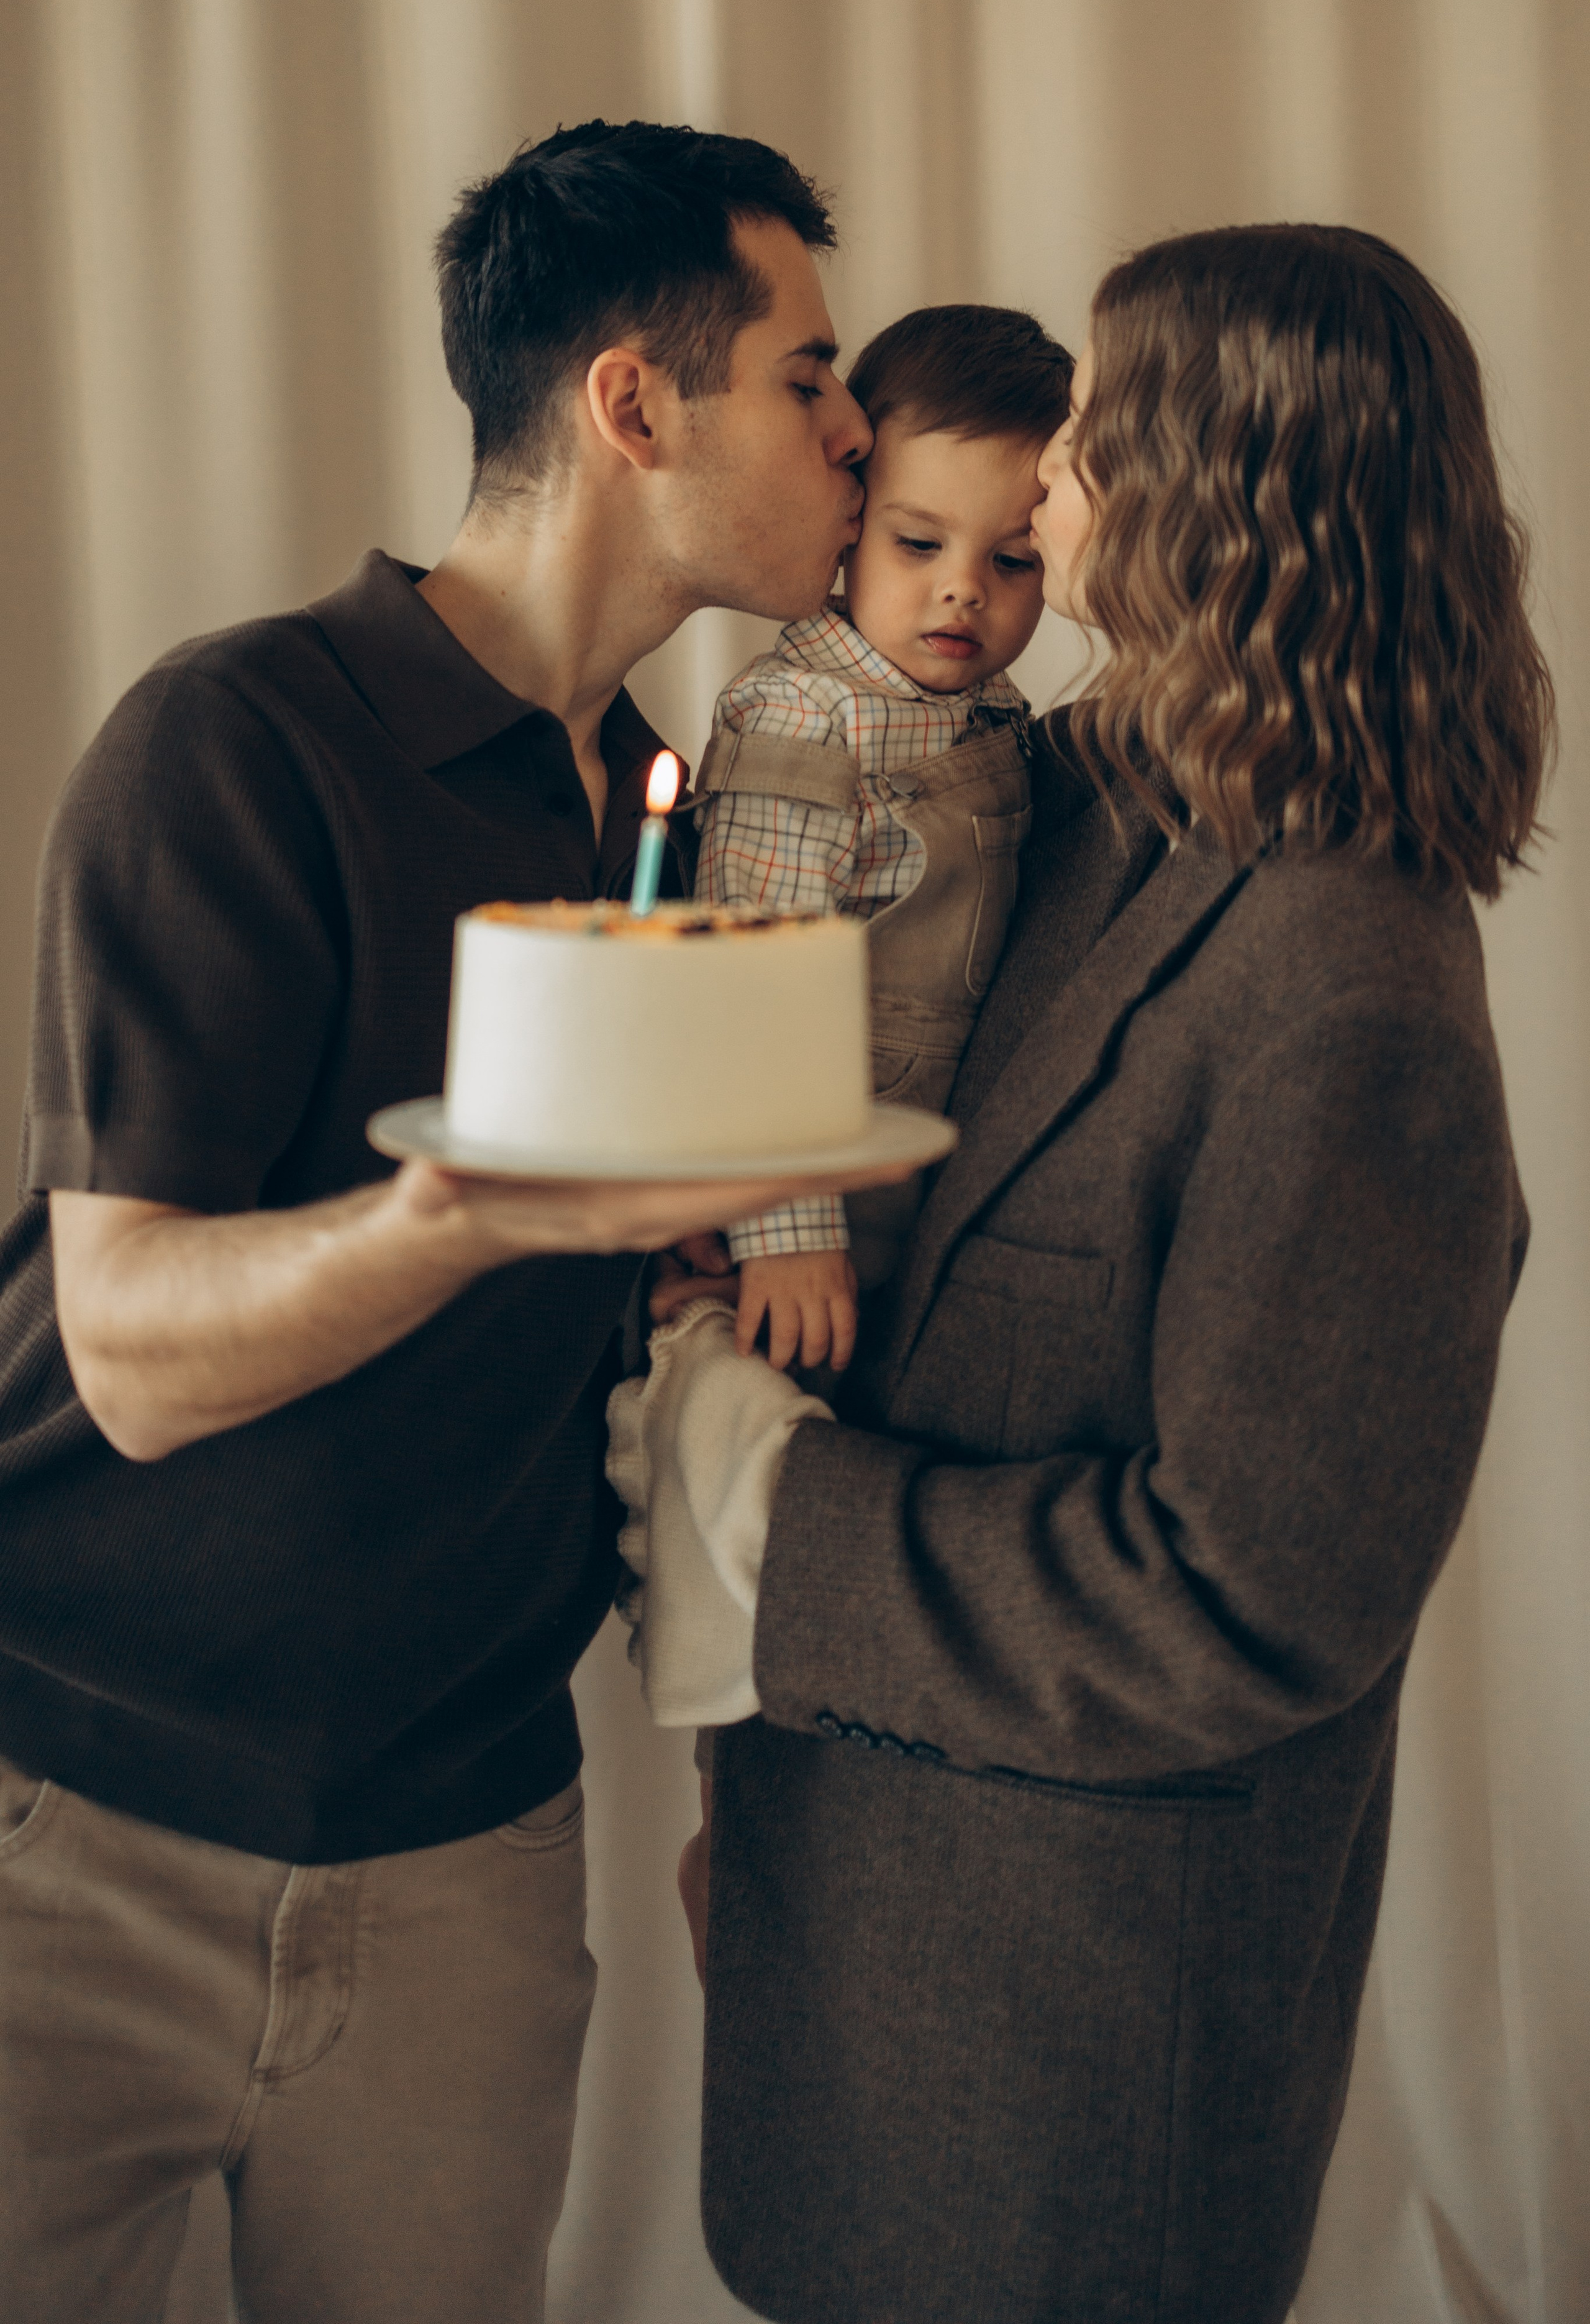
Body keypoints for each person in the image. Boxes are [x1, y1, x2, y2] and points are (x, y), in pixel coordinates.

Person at [616, 224, 1551, 2323]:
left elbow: (1244, 1602)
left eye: (1089, 453)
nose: (1037, 497)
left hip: (1068, 2065)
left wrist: (771, 1517)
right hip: (841, 1924)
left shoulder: (1355, 1005)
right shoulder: (1060, 805)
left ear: (1223, 503)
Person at [0, 119, 888, 2324]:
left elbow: (612, 1359)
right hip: (69, 1834)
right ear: (631, 404)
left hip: (468, 1862)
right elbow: (128, 1347)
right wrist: (480, 1214)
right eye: (810, 375)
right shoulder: (234, 742)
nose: (859, 434)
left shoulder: (662, 818)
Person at [693, 306, 1072, 1370]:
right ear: (851, 519)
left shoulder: (991, 705)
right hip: (818, 1178)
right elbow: (749, 981)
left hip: (940, 1166)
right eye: (920, 543)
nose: (965, 588)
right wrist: (786, 1229)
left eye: (1014, 560)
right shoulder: (803, 715)